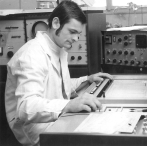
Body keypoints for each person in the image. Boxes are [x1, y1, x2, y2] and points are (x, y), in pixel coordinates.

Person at [4, 1, 112, 146]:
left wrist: (88, 79)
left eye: (78, 34)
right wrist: (68, 105)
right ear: (56, 23)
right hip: (36, 128)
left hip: (55, 117)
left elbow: (60, 87)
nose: (76, 39)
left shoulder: (58, 48)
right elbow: (26, 108)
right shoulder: (32, 55)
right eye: (72, 32)